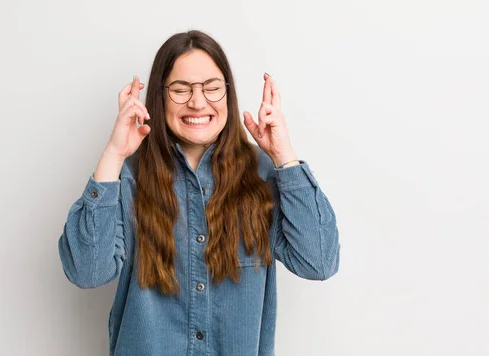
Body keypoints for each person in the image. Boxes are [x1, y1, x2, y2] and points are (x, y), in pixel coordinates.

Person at [58, 30, 340, 356]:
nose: (197, 101)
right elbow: (87, 272)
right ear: (159, 97)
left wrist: (284, 156)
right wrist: (113, 154)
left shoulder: (261, 174)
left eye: (211, 87)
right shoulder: (128, 176)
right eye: (180, 89)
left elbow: (318, 262)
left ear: (227, 95)